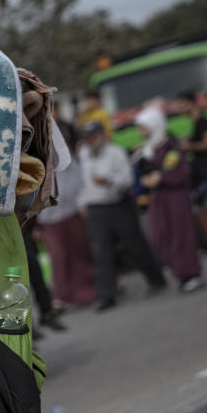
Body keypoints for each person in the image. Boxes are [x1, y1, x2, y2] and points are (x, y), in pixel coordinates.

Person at [76, 121, 167, 310]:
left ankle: (156, 279)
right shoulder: (83, 155)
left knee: (135, 245)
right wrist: (82, 204)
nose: (90, 141)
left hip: (118, 204)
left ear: (101, 134)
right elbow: (82, 183)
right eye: (87, 138)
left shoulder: (116, 152)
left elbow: (127, 180)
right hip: (95, 208)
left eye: (92, 136)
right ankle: (106, 295)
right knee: (101, 252)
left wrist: (109, 181)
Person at [134, 107, 203, 292]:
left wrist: (161, 178)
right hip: (158, 199)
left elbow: (178, 172)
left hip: (175, 196)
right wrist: (146, 180)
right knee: (159, 238)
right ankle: (180, 271)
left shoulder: (170, 145)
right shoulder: (148, 148)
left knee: (181, 235)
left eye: (144, 127)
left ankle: (190, 274)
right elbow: (147, 173)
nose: (141, 132)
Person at [36, 160, 98, 308]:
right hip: (48, 219)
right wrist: (34, 226)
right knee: (58, 256)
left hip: (72, 212)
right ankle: (59, 295)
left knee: (80, 251)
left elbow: (80, 181)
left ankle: (90, 288)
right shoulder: (33, 162)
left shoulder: (66, 160)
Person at [176, 91, 207, 246]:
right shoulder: (196, 122)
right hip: (202, 174)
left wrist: (188, 146)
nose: (178, 107)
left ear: (191, 103)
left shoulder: (202, 121)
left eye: (181, 104)